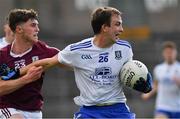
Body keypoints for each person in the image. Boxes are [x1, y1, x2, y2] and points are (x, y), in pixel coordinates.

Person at [1, 7, 152, 118]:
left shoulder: (125, 48)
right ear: (104, 27)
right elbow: (46, 63)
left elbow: (130, 72)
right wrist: (18, 74)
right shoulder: (77, 50)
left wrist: (145, 83)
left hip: (118, 109)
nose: (122, 29)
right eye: (117, 24)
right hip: (89, 112)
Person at [0, 8, 59, 119]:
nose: (38, 29)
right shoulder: (3, 56)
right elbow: (1, 87)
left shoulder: (43, 51)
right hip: (9, 108)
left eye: (37, 25)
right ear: (19, 29)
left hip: (34, 111)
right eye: (33, 25)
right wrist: (26, 79)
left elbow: (66, 58)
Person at [142, 41, 180, 119]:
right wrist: (148, 93)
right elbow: (156, 85)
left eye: (171, 52)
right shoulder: (158, 69)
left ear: (175, 53)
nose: (169, 54)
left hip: (177, 108)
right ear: (163, 54)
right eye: (167, 52)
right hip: (162, 107)